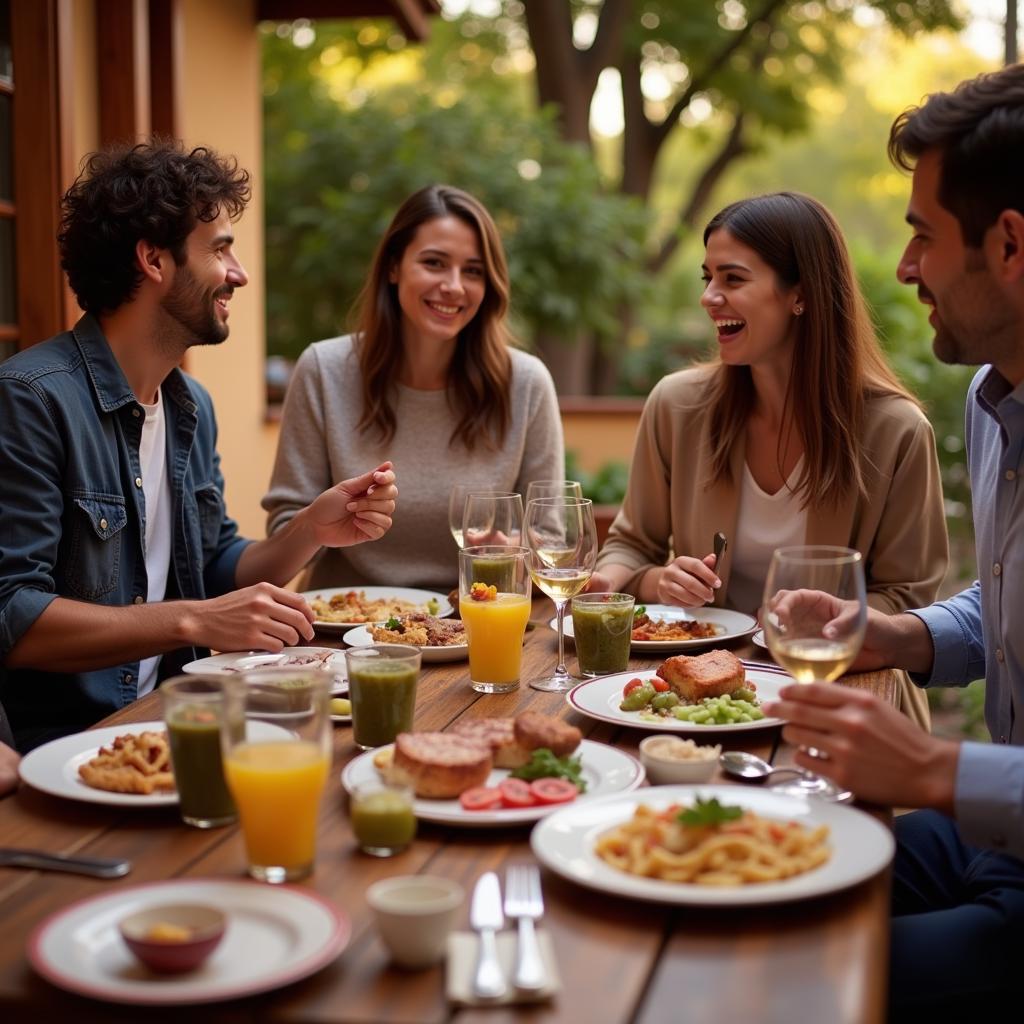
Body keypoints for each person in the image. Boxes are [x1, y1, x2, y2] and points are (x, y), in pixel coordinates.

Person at [766, 64, 1024, 1016]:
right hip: (994, 838)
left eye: (922, 236)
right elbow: (1002, 606)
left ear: (1009, 244)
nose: (905, 269)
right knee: (745, 879)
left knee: (787, 984)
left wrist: (932, 769)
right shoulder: (995, 400)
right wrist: (896, 636)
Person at [0, 140, 398, 752]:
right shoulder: (32, 399)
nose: (238, 273)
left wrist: (311, 531)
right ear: (154, 261)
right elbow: (14, 618)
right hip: (71, 746)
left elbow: (211, 565)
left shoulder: (189, 406)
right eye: (220, 249)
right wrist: (192, 621)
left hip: (188, 718)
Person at [593, 191, 948, 726]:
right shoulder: (676, 405)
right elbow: (631, 542)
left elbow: (909, 597)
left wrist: (820, 625)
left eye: (733, 279)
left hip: (839, 695)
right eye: (706, 278)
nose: (711, 297)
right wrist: (646, 581)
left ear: (799, 294)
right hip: (693, 695)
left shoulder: (895, 430)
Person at [263, 184, 563, 591]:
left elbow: (551, 539)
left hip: (478, 624)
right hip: (348, 631)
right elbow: (283, 535)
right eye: (434, 263)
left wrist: (514, 548)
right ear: (393, 267)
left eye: (473, 271)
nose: (454, 285)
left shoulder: (526, 384)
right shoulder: (323, 370)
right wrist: (324, 523)